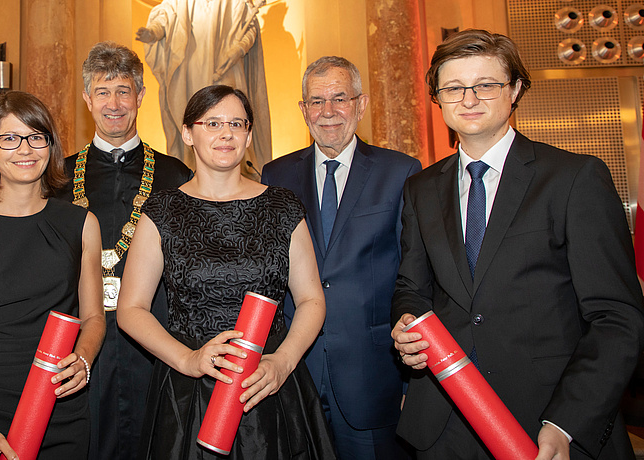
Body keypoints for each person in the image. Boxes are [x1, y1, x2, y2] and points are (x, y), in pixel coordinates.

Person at [391, 29, 644, 459]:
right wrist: (406, 326)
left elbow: (616, 318)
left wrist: (566, 423)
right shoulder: (420, 188)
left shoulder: (573, 178)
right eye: (453, 87)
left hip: (547, 421)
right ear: (437, 98)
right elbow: (411, 287)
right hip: (444, 424)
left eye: (485, 85)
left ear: (515, 89)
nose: (468, 99)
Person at [117, 84, 336, 459]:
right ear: (188, 133)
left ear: (249, 134)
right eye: (213, 122)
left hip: (268, 385)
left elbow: (311, 299)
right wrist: (187, 359)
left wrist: (282, 363)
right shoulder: (161, 212)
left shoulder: (282, 206)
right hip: (189, 391)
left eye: (237, 123)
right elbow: (131, 310)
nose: (226, 133)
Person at [0, 91, 106, 460]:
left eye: (36, 137)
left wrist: (84, 359)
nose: (24, 149)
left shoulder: (81, 223)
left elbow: (93, 317)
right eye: (10, 138)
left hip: (61, 404)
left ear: (50, 145)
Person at [261, 56, 421, 459]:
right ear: (302, 110)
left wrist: (411, 385)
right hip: (296, 373)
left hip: (374, 376)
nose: (327, 112)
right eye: (316, 101)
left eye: (339, 98)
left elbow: (414, 277)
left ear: (361, 104)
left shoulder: (400, 172)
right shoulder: (275, 176)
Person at [54, 41, 192, 460]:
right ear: (86, 99)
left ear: (140, 96)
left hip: (156, 345)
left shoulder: (177, 175)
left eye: (123, 91)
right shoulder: (57, 178)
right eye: (102, 91)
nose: (113, 104)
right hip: (79, 348)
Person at [136, 0, 272, 169]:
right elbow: (165, 19)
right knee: (194, 117)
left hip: (227, 67)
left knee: (229, 114)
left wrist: (239, 49)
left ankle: (236, 170)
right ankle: (190, 169)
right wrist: (152, 33)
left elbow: (249, 28)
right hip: (189, 71)